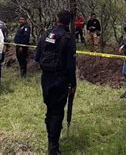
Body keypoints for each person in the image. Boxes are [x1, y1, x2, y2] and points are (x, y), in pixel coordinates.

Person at [35, 10, 76, 155]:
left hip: (46, 78)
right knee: (57, 113)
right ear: (69, 22)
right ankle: (53, 147)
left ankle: (51, 141)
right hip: (60, 79)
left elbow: (37, 57)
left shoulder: (46, 34)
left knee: (50, 110)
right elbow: (71, 65)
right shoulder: (68, 37)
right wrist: (73, 84)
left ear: (56, 19)